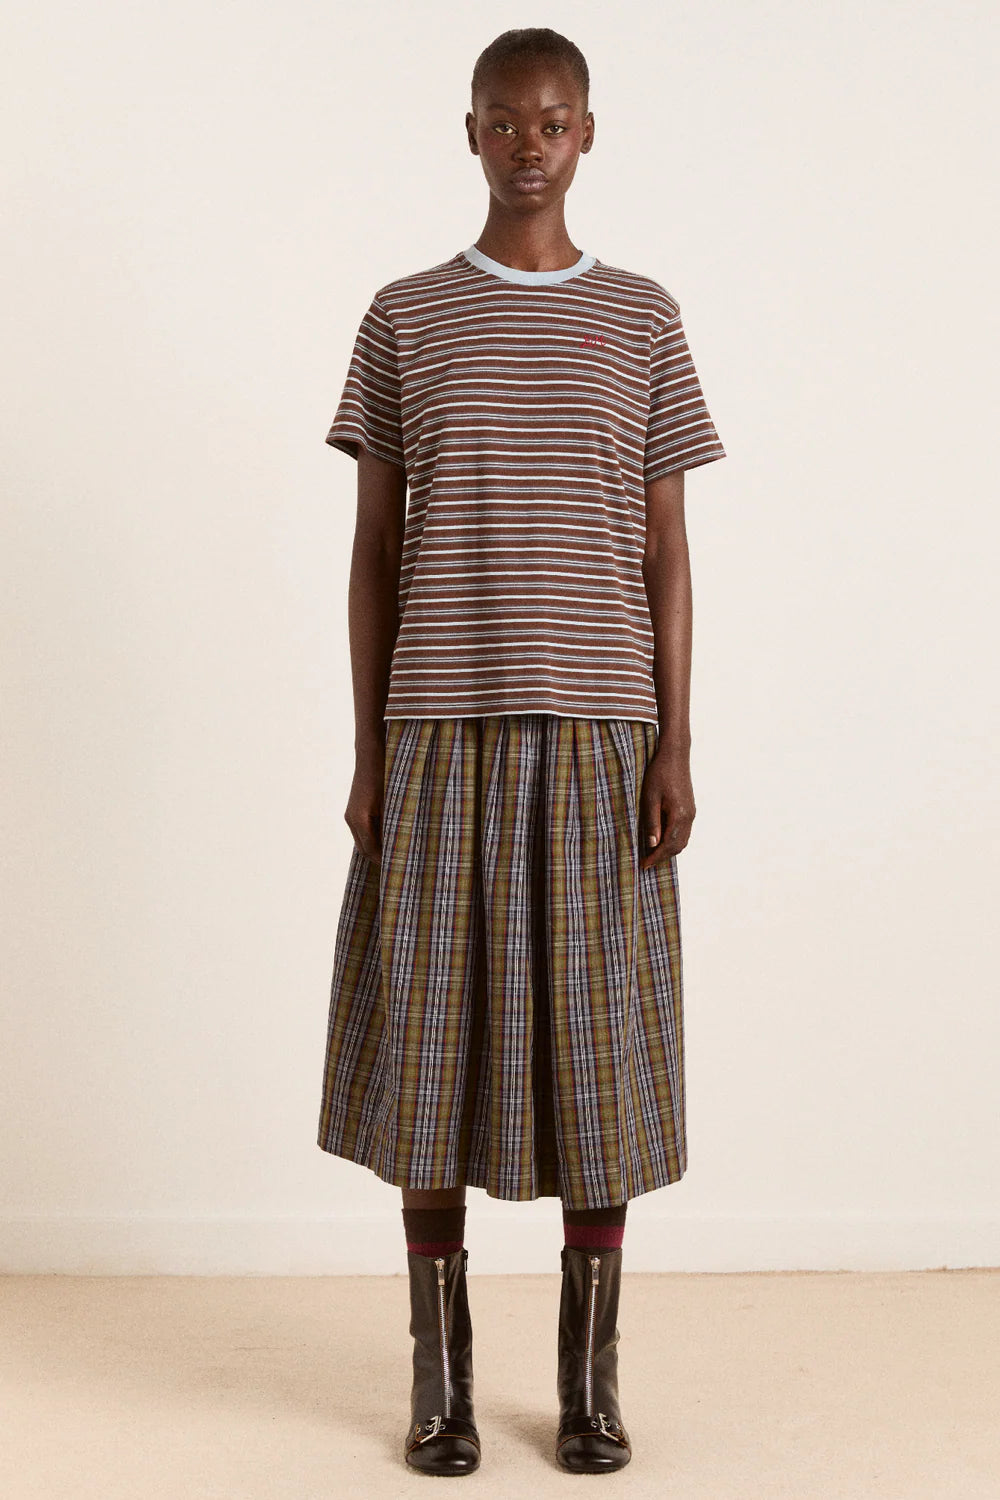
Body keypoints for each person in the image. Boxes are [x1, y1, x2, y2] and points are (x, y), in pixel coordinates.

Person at [316, 26, 727, 1478]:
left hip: (603, 730)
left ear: (588, 133)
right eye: (505, 120)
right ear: (471, 132)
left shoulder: (643, 318)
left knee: (597, 1051)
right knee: (432, 1040)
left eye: (553, 121)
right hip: (439, 726)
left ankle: (588, 1383)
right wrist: (369, 746)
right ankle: (439, 1379)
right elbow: (375, 549)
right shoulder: (405, 317)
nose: (530, 144)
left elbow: (667, 549)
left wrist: (676, 739)